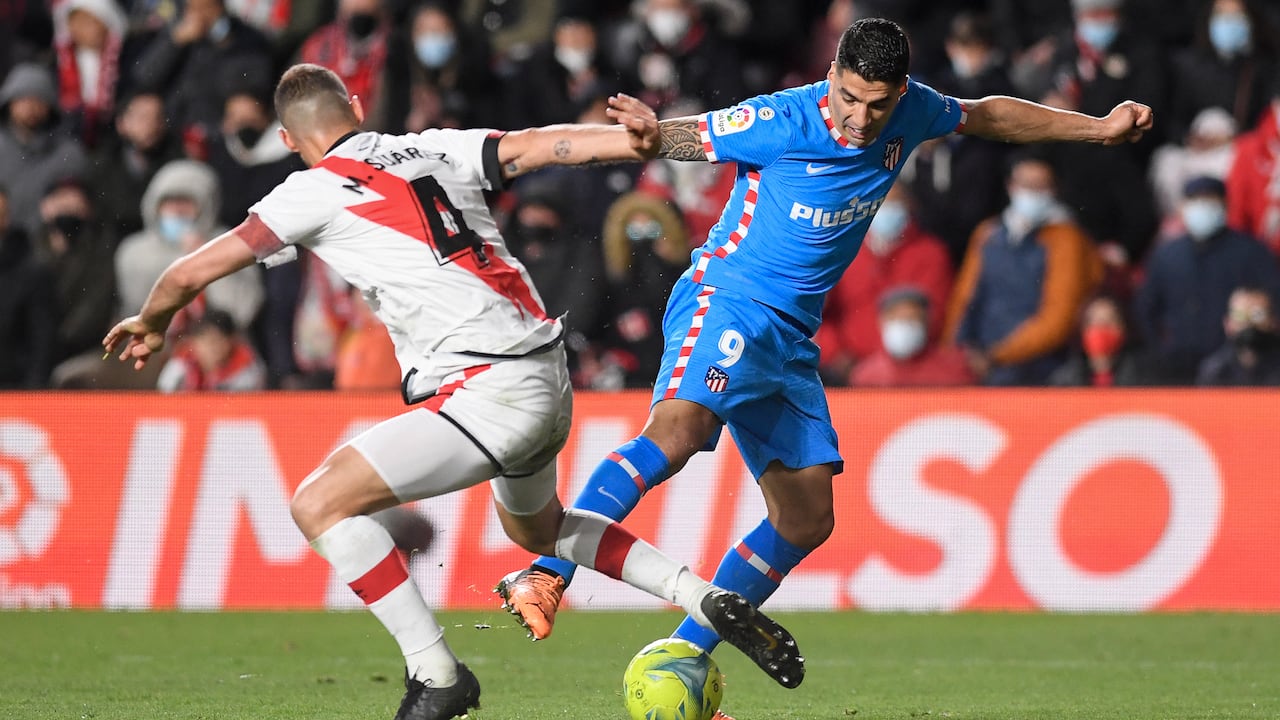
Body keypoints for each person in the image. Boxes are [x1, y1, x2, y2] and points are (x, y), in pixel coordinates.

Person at [103, 63, 803, 720]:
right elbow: (545, 147)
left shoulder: (308, 190)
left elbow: (195, 269)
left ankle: (435, 675)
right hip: (545, 375)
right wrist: (640, 140)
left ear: (288, 141)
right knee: (537, 530)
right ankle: (703, 597)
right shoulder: (432, 148)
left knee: (317, 503)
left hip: (484, 385)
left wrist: (154, 320)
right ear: (355, 106)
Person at [497, 18, 1153, 713]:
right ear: (832, 75)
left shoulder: (915, 109)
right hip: (729, 300)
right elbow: (700, 134)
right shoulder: (785, 116)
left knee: (806, 519)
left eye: (877, 104)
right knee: (679, 432)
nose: (860, 118)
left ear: (899, 91)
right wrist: (656, 134)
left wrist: (1096, 127)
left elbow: (988, 116)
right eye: (848, 97)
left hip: (790, 339)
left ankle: (687, 651)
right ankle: (542, 572)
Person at [945, 154, 1104, 386]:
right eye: (1026, 185)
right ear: (1011, 186)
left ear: (1054, 191)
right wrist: (955, 352)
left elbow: (1058, 319)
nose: (1033, 193)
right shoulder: (988, 234)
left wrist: (995, 356)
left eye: (1041, 186)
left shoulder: (1067, 239)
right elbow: (965, 300)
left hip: (1040, 368)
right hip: (977, 362)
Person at [1134, 176, 1280, 383]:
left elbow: (1272, 302)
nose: (1202, 207)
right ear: (1182, 208)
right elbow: (1146, 307)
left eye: (1209, 200)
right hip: (1177, 364)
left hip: (1234, 369)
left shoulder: (1251, 252)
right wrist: (1161, 348)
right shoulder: (1166, 255)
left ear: (1225, 205)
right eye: (1195, 200)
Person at [849, 286, 974, 388]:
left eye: (912, 319)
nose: (905, 326)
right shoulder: (866, 376)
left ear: (926, 322)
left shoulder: (953, 372)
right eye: (897, 319)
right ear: (881, 322)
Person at [1049, 293, 1157, 386]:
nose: (1101, 328)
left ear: (1124, 328)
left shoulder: (1145, 380)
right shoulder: (1063, 382)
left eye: (1109, 321)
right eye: (1093, 322)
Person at [155, 308, 267, 392]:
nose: (212, 348)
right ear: (193, 342)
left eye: (217, 341)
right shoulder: (181, 361)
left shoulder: (246, 366)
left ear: (231, 340)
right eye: (205, 341)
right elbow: (164, 393)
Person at [1196, 285, 1280, 386]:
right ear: (1227, 323)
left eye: (1258, 315)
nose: (1248, 323)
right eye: (1240, 316)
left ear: (1273, 322)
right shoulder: (1214, 372)